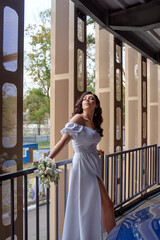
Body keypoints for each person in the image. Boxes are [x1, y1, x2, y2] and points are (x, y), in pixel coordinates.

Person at [48, 91, 116, 240]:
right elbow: (63, 142)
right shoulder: (78, 118)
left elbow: (87, 141)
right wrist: (48, 159)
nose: (87, 100)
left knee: (98, 205)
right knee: (107, 204)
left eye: (91, 99)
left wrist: (95, 150)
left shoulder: (94, 123)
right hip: (83, 167)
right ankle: (115, 237)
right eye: (84, 99)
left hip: (93, 163)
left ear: (96, 104)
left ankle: (109, 236)